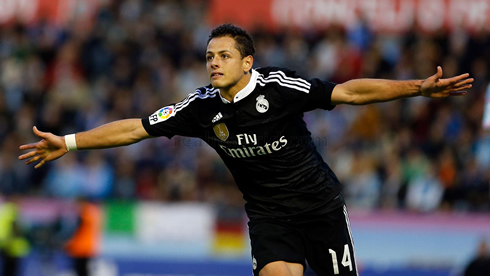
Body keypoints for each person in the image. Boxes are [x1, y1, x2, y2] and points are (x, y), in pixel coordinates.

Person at [19, 24, 473, 276]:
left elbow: (350, 93)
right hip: (269, 217)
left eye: (223, 56)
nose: (213, 63)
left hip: (320, 209)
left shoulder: (279, 87)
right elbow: (136, 129)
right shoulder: (200, 108)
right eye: (209, 57)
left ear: (246, 62)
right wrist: (71, 142)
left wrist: (416, 88)